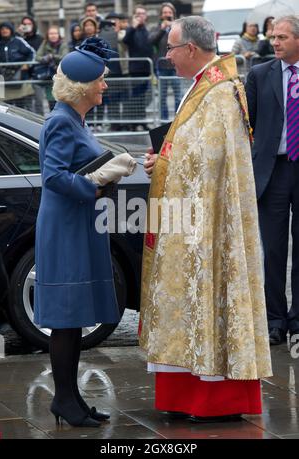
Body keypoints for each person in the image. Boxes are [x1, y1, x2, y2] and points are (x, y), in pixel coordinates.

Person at [140, 16, 272, 421]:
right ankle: (183, 395)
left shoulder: (218, 93)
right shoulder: (202, 88)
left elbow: (210, 161)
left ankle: (214, 400)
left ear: (191, 50)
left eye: (171, 49)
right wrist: (162, 158)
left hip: (208, 223)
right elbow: (187, 150)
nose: (167, 57)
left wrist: (164, 160)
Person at [34, 37, 121, 427]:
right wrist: (96, 186)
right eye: (101, 80)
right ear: (83, 87)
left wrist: (105, 176)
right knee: (66, 317)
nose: (105, 85)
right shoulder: (60, 120)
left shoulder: (74, 118)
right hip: (65, 227)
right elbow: (53, 176)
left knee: (74, 318)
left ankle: (72, 399)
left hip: (78, 223)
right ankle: (65, 400)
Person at [245, 15, 299, 349]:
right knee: (273, 252)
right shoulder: (259, 74)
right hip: (273, 171)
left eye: (281, 37)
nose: (274, 42)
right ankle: (275, 320)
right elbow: (242, 123)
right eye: (272, 37)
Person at [122, 4, 153, 131]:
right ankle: (134, 123)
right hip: (135, 68)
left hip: (146, 68)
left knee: (144, 97)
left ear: (146, 16)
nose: (140, 16)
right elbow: (125, 40)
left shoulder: (147, 30)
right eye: (138, 14)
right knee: (135, 97)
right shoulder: (131, 30)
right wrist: (133, 26)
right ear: (134, 16)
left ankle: (142, 121)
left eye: (142, 14)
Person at [149, 2, 181, 121]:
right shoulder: (156, 28)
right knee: (162, 98)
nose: (167, 14)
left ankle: (178, 121)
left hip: (176, 67)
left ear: (173, 14)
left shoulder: (178, 27)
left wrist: (173, 27)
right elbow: (151, 41)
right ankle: (164, 122)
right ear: (161, 15)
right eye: (165, 12)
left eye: (169, 12)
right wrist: (162, 29)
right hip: (162, 67)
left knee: (178, 96)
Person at [0, 21, 35, 109]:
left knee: (22, 107)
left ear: (11, 30)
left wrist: (27, 64)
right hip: (4, 79)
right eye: (2, 29)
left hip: (19, 78)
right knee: (7, 108)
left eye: (7, 28)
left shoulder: (18, 41)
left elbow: (32, 52)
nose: (4, 31)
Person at [36, 26, 68, 111]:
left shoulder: (63, 44)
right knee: (51, 102)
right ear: (47, 35)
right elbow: (37, 56)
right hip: (49, 77)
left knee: (62, 101)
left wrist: (52, 56)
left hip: (62, 76)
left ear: (58, 35)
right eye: (51, 33)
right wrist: (45, 59)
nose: (53, 35)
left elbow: (64, 56)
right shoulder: (45, 43)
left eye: (55, 33)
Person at [18, 16, 44, 115]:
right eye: (24, 24)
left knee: (39, 102)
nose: (27, 26)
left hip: (37, 75)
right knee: (26, 104)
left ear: (33, 25)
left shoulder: (40, 39)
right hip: (24, 75)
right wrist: (18, 33)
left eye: (29, 24)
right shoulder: (19, 39)